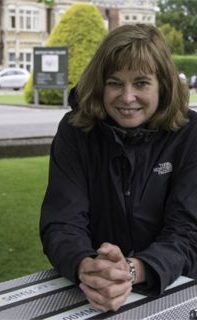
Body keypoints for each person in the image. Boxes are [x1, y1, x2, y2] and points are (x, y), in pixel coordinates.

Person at [40, 24, 197, 313]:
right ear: (100, 84)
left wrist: (134, 270)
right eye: (115, 82)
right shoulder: (75, 131)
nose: (126, 97)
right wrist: (85, 265)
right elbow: (62, 221)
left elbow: (187, 230)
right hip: (93, 293)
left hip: (177, 290)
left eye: (140, 83)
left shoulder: (189, 134)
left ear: (162, 84)